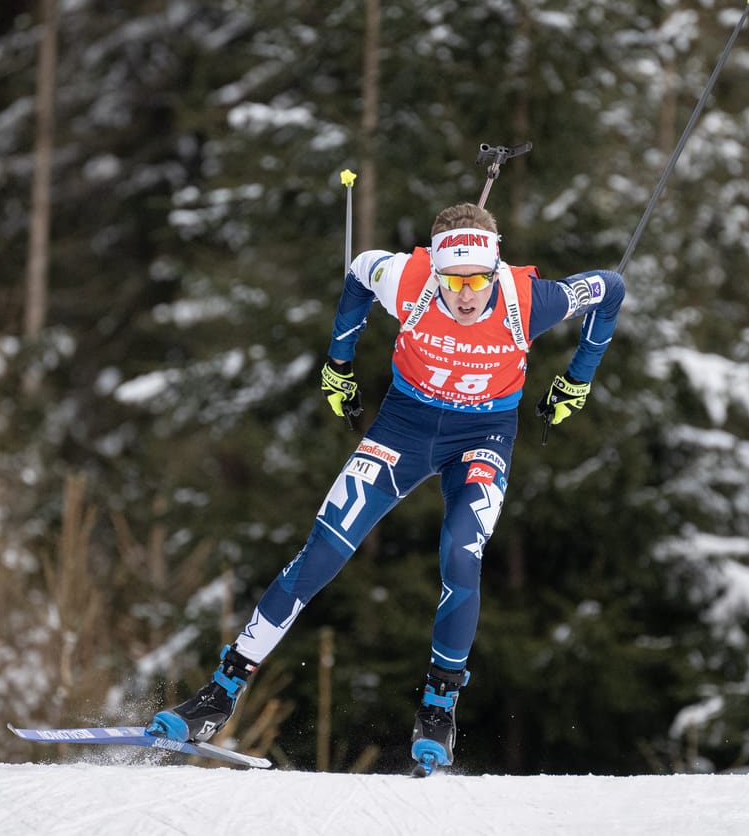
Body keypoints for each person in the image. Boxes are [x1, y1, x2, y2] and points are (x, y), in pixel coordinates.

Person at [148, 201, 625, 770]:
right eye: (454, 281)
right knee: (321, 551)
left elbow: (611, 288)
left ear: (496, 270)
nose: (467, 294)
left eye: (479, 280)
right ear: (435, 272)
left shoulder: (531, 301)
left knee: (461, 553)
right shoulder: (406, 280)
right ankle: (217, 695)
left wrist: (577, 381)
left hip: (484, 435)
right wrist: (339, 363)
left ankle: (438, 708)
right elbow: (357, 270)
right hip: (405, 427)